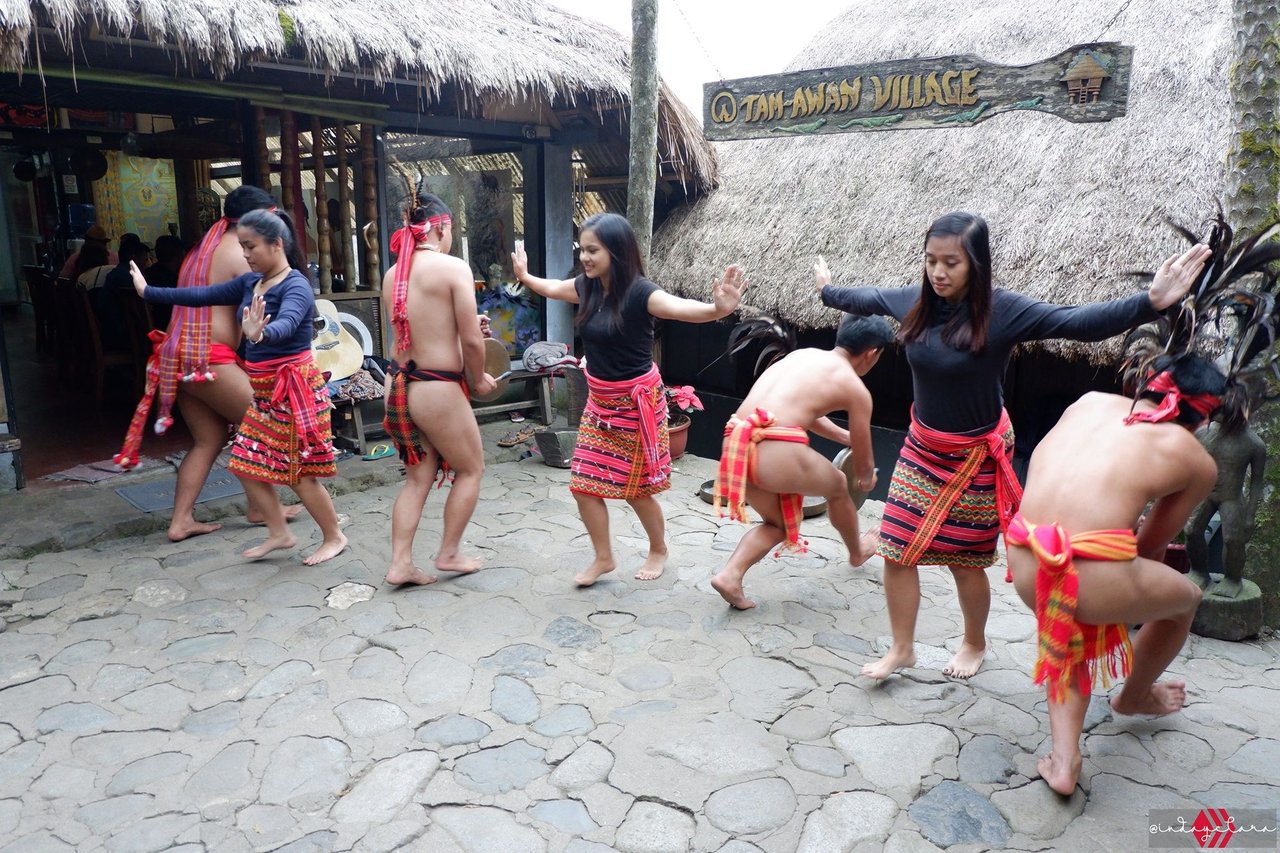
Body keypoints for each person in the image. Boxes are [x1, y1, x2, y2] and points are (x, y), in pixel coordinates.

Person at [816, 211, 1212, 679]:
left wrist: (1149, 303)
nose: (938, 273)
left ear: (976, 266)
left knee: (964, 561)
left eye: (951, 263)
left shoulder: (1001, 313)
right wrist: (826, 289)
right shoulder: (913, 304)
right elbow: (864, 296)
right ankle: (902, 648)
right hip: (922, 450)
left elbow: (1075, 322)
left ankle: (973, 642)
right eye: (930, 261)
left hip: (977, 456)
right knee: (897, 549)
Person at [1006, 353, 1242, 795]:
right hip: (1084, 570)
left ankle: (1064, 762)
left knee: (1069, 627)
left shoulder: (1089, 400)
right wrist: (1120, 601)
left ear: (1146, 383)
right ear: (1203, 417)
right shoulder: (1195, 459)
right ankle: (1134, 695)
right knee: (1184, 601)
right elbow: (1150, 546)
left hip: (1023, 556)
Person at [512, 212, 747, 586]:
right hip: (600, 405)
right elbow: (554, 288)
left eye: (593, 250)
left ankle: (659, 549)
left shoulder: (641, 293)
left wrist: (719, 310)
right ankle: (604, 558)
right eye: (582, 250)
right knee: (582, 485)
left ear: (617, 251)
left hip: (636, 406)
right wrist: (525, 278)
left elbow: (682, 309)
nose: (585, 257)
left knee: (636, 490)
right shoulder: (586, 286)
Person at [130, 208, 347, 565]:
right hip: (264, 393)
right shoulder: (250, 283)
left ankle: (334, 536)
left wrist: (262, 332)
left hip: (293, 392)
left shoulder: (296, 285)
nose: (244, 254)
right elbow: (201, 295)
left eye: (251, 247)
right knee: (246, 462)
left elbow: (291, 322)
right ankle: (278, 532)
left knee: (300, 472)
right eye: (243, 246)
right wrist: (148, 290)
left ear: (276, 245)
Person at [114, 186, 302, 542]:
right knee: (263, 425)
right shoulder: (243, 254)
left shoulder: (203, 248)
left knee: (209, 439)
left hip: (179, 356)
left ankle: (181, 520)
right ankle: (263, 509)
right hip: (207, 357)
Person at [710, 315, 893, 609]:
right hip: (774, 448)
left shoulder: (802, 355)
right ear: (872, 353)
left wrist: (845, 436)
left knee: (777, 525)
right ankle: (857, 551)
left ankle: (730, 575)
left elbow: (805, 410)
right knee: (836, 484)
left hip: (736, 441)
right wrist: (867, 476)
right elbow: (863, 459)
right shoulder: (855, 388)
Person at [380, 191, 498, 586]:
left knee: (417, 479)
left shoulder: (393, 273)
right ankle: (448, 552)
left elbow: (415, 329)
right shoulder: (452, 268)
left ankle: (400, 563)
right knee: (471, 469)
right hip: (437, 389)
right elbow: (471, 342)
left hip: (398, 386)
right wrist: (478, 378)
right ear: (441, 227)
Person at [1184, 405, 1266, 599]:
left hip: (1232, 497)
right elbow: (1190, 464)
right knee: (1191, 530)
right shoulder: (1203, 434)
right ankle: (1198, 571)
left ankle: (1232, 579)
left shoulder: (1254, 444)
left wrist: (1250, 515)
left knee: (1232, 540)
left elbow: (1256, 482)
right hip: (1206, 492)